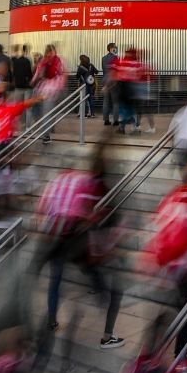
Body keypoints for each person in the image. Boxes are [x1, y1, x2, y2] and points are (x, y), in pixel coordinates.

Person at [37, 149, 124, 349]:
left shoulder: (53, 183)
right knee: (89, 263)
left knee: (55, 280)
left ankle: (52, 320)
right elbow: (84, 207)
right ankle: (102, 295)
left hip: (53, 236)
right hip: (72, 234)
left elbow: (42, 209)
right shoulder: (79, 180)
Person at [144, 160, 187, 369]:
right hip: (186, 265)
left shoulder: (172, 195)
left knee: (172, 309)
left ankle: (153, 353)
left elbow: (157, 221)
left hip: (169, 264)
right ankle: (179, 357)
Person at [99, 43, 121, 125]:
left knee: (106, 101)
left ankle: (106, 120)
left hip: (105, 81)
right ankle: (116, 120)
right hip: (114, 81)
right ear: (111, 48)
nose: (116, 49)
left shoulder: (103, 58)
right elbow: (117, 70)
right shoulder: (116, 58)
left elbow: (104, 70)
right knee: (115, 102)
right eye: (115, 47)